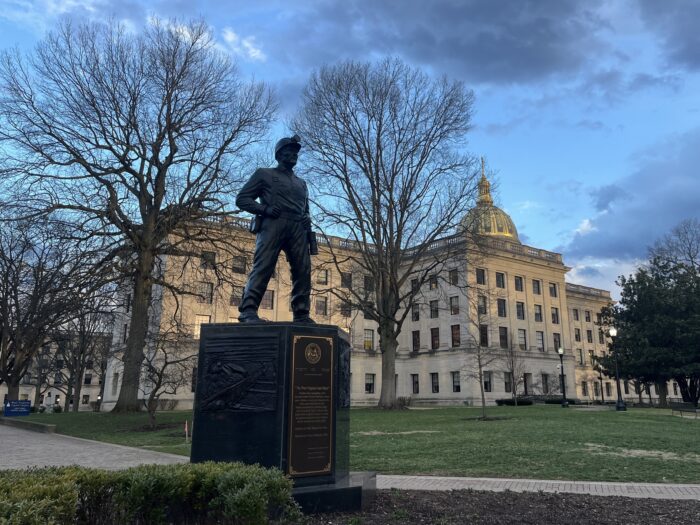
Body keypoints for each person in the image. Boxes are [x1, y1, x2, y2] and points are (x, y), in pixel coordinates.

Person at [235, 135, 315, 323]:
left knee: (303, 270)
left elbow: (306, 209)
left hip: (297, 227)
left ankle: (302, 313)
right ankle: (248, 310)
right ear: (279, 154)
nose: (294, 154)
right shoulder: (264, 174)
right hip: (273, 223)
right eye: (290, 151)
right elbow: (242, 199)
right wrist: (265, 209)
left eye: (296, 152)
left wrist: (306, 218)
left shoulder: (302, 183)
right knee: (264, 265)